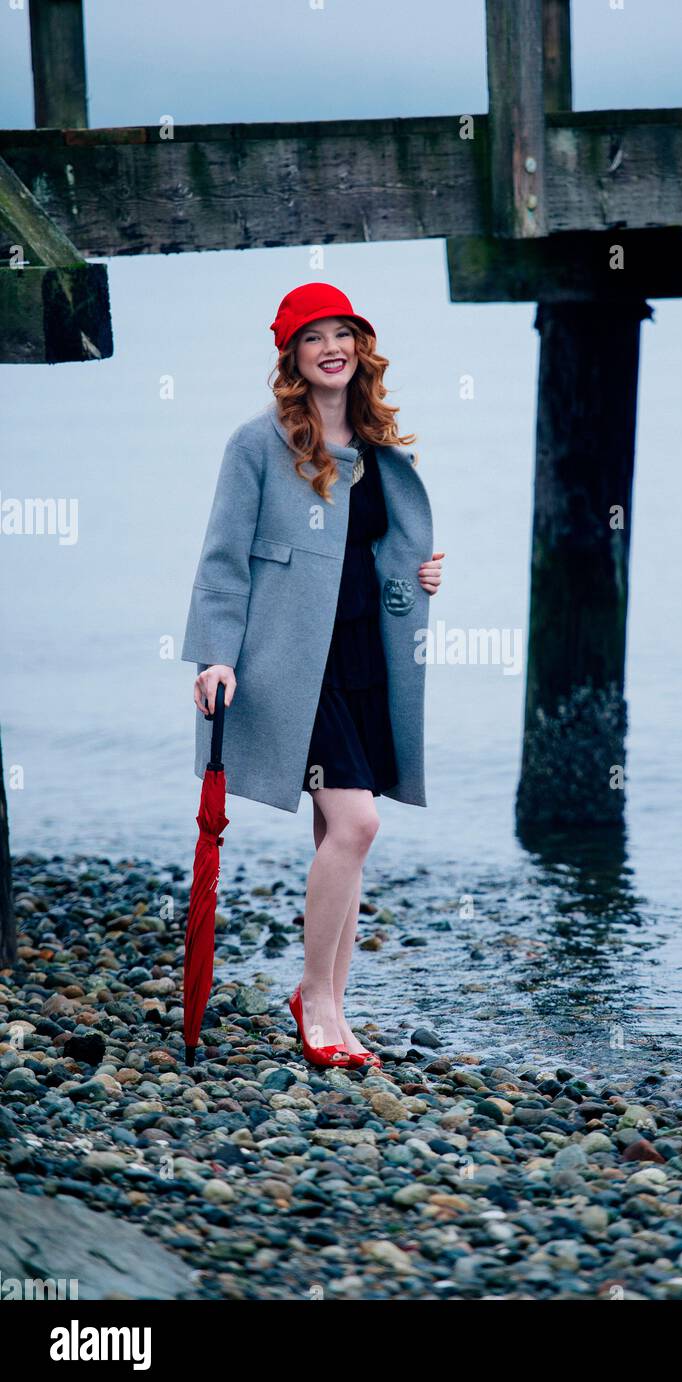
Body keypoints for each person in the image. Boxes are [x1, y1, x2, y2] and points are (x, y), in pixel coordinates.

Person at [183, 283, 444, 1070]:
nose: (332, 347)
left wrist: (418, 574)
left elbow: (373, 552)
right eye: (313, 337)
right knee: (360, 823)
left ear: (360, 349)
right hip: (294, 664)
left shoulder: (377, 445)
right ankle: (317, 999)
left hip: (368, 654)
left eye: (344, 334)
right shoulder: (256, 445)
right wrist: (215, 656)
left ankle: (326, 999)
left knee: (339, 833)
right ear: (291, 357)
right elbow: (222, 562)